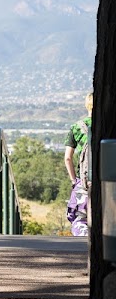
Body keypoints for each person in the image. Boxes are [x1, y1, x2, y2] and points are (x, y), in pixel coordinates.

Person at [65, 93, 93, 237]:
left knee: (81, 217)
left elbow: (68, 158)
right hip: (109, 181)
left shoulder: (77, 127)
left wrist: (74, 181)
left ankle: (83, 245)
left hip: (84, 181)